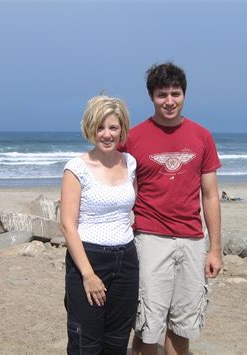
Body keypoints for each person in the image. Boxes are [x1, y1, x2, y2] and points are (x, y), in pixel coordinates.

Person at [120, 62, 222, 355]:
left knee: (182, 324)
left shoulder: (202, 136)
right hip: (150, 238)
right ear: (151, 97)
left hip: (192, 239)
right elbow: (122, 188)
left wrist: (215, 248)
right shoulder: (133, 138)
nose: (169, 101)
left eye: (175, 94)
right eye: (161, 94)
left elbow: (211, 195)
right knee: (147, 324)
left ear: (184, 95)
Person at [60, 95, 139, 354]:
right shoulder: (76, 168)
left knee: (117, 341)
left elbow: (131, 209)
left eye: (113, 127)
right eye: (100, 127)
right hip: (89, 258)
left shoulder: (130, 163)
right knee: (86, 342)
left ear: (122, 129)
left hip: (126, 260)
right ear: (91, 129)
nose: (107, 134)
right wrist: (88, 274)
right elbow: (68, 226)